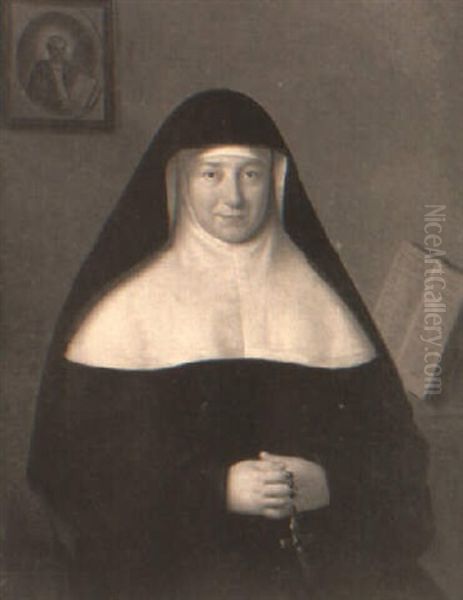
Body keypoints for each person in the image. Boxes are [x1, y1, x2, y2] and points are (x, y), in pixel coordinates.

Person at [28, 89, 444, 600]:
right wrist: (217, 491)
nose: (234, 197)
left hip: (319, 566)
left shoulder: (325, 306)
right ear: (180, 180)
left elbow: (399, 463)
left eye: (250, 174)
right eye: (212, 174)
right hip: (173, 575)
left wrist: (327, 483)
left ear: (276, 180)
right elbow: (75, 475)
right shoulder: (121, 314)